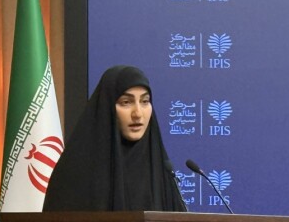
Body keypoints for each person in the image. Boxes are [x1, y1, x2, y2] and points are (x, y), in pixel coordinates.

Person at [43, 65, 187, 212]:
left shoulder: (162, 170)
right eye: (126, 102)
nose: (137, 114)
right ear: (108, 107)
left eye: (145, 101)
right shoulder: (76, 171)